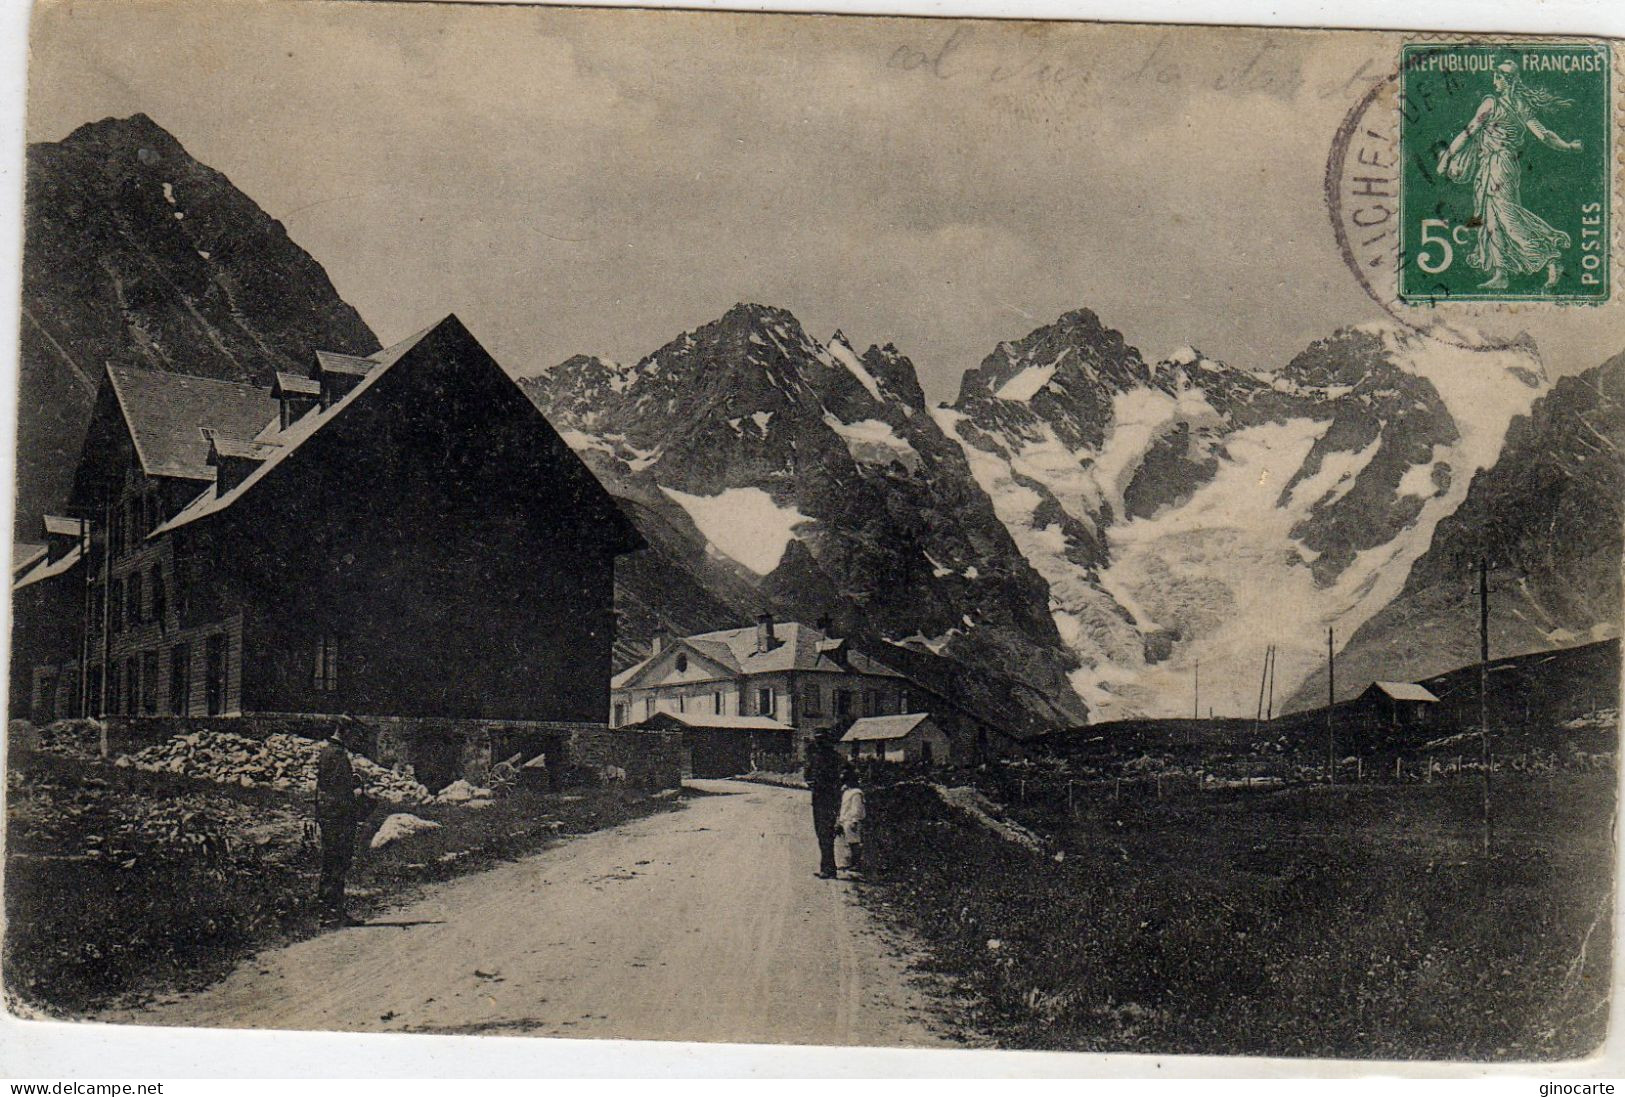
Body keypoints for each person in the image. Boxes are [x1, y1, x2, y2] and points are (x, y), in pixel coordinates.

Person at [1436, 60, 1584, 291]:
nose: (1494, 82)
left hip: (1499, 165)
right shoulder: (1520, 106)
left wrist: (1447, 158)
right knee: (1491, 219)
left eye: (1497, 78)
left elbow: (1468, 131)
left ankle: (1550, 256)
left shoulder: (1491, 104)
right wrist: (1568, 146)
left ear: (1506, 81)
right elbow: (1544, 135)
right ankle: (1501, 273)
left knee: (1507, 217)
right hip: (1496, 165)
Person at [315, 726, 371, 926]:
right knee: (337, 863)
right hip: (338, 817)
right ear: (346, 733)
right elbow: (339, 789)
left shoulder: (327, 751)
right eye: (354, 735)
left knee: (331, 863)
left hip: (328, 815)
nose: (355, 740)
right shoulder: (337, 755)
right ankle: (333, 914)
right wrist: (356, 790)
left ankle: (327, 912)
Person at [804, 727, 844, 879]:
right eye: (818, 740)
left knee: (824, 833)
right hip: (824, 798)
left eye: (821, 740)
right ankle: (827, 867)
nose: (819, 743)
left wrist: (813, 783)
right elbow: (807, 776)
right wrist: (811, 783)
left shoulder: (826, 758)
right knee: (824, 834)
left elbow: (808, 776)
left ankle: (828, 869)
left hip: (826, 798)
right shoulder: (830, 757)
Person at [838, 765, 866, 876]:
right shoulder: (847, 792)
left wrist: (854, 820)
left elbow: (857, 808)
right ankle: (851, 862)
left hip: (852, 821)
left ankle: (857, 864)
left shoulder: (856, 793)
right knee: (849, 843)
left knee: (855, 843)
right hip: (845, 820)